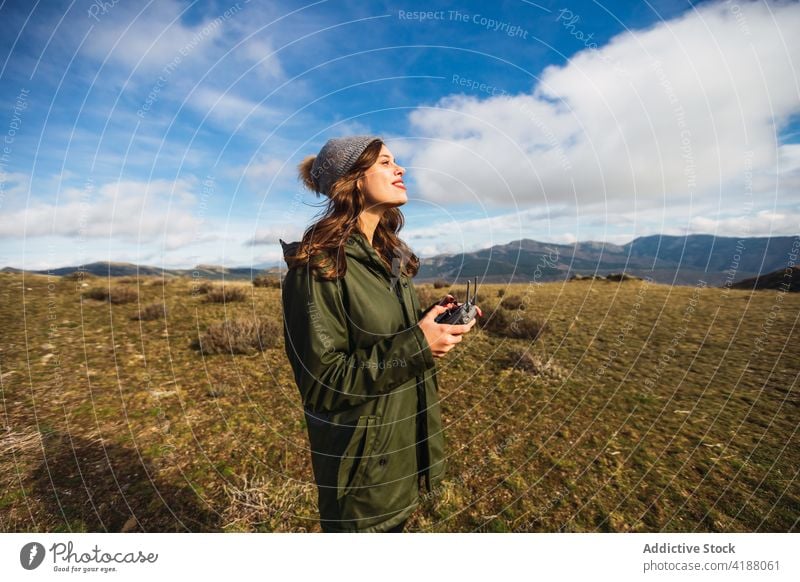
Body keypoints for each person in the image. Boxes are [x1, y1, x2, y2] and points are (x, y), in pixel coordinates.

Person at [279, 135, 481, 533]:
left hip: (401, 450)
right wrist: (417, 344)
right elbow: (323, 384)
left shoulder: (387, 258)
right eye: (386, 162)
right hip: (362, 476)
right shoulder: (318, 268)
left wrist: (428, 322)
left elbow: (378, 339)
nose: (400, 169)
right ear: (352, 179)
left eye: (396, 162)